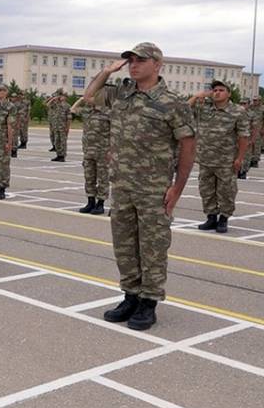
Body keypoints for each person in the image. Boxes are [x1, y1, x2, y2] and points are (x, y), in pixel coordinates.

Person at [85, 42, 195, 331]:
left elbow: (187, 145)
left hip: (154, 188)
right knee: (124, 245)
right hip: (121, 186)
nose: (133, 65)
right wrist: (106, 71)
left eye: (140, 60)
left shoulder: (173, 102)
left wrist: (177, 188)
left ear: (158, 64)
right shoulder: (122, 95)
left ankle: (149, 302)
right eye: (130, 60)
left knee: (153, 247)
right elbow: (89, 96)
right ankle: (130, 295)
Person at [188, 81, 249, 233]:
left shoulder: (237, 111)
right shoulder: (204, 108)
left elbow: (243, 136)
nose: (217, 92)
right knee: (206, 190)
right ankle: (211, 217)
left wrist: (240, 158)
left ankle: (224, 219)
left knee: (227, 191)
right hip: (205, 159)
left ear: (229, 94)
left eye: (221, 90)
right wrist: (198, 96)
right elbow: (184, 109)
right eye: (214, 90)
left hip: (226, 160)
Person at [71, 91, 110, 215]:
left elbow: (116, 132)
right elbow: (73, 109)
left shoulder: (108, 113)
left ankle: (100, 204)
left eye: (92, 97)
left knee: (103, 179)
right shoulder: (87, 112)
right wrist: (82, 99)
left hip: (103, 152)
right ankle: (90, 201)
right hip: (88, 151)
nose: (89, 99)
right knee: (89, 178)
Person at [48, 88, 70, 162]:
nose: (61, 97)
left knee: (63, 141)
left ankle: (62, 156)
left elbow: (69, 119)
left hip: (63, 127)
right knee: (57, 141)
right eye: (61, 96)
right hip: (56, 126)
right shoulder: (56, 105)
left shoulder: (67, 106)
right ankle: (58, 155)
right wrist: (54, 98)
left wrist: (67, 128)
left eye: (63, 96)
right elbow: (47, 104)